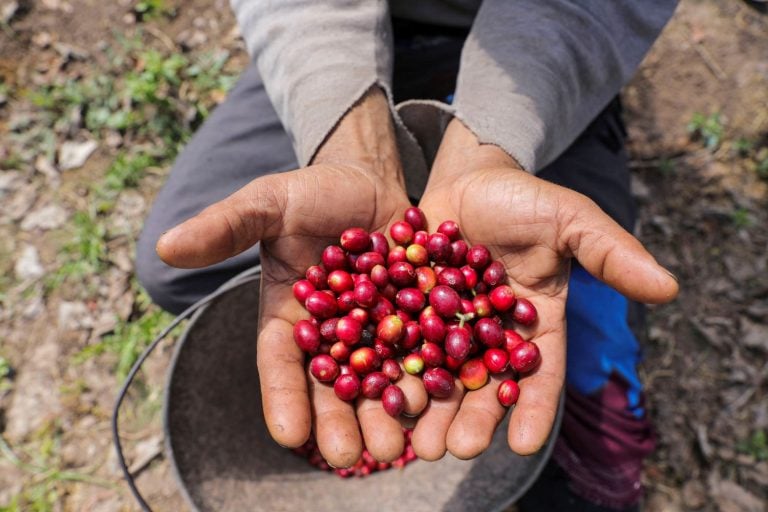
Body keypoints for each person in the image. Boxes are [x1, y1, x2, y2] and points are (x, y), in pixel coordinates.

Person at [136, 2, 680, 510]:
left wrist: (495, 147)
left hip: (553, 44)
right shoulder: (394, 309)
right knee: (176, 272)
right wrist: (349, 139)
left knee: (595, 414)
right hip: (337, 43)